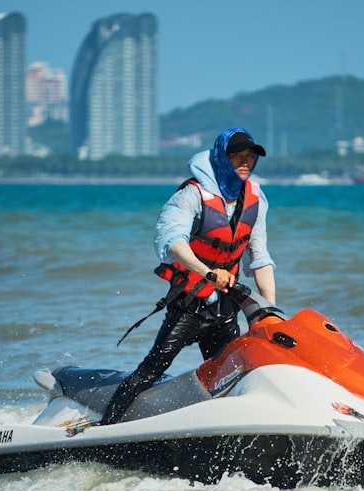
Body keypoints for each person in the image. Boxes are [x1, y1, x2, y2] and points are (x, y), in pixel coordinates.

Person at [99, 127, 276, 425]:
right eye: (238, 157)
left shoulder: (256, 199)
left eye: (250, 157)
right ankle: (104, 428)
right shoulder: (192, 194)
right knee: (151, 369)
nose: (245, 163)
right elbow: (173, 242)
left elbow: (260, 258)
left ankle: (226, 433)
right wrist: (207, 273)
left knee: (233, 375)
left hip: (224, 309)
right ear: (222, 158)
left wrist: (268, 312)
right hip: (189, 305)